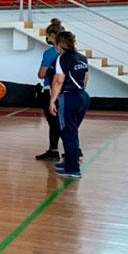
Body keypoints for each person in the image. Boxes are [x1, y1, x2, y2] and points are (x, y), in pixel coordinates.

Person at [50, 31, 90, 179]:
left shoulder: (62, 58)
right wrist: (80, 92)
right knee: (72, 132)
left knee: (68, 134)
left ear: (59, 44)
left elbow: (58, 81)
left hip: (68, 97)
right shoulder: (82, 57)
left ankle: (73, 169)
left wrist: (52, 100)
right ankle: (70, 162)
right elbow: (86, 77)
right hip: (83, 97)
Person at [35, 18, 65, 161]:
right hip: (69, 91)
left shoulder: (50, 53)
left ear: (52, 36)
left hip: (52, 90)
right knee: (66, 122)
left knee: (54, 123)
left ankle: (53, 150)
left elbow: (41, 74)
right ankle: (74, 149)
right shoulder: (72, 52)